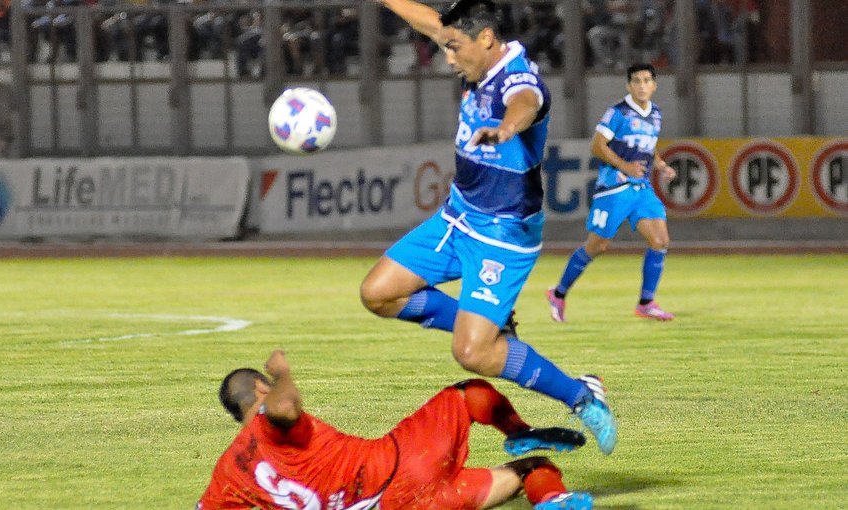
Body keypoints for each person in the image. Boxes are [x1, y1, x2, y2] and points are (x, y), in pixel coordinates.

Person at [359, 0, 617, 455]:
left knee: (473, 353)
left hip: (503, 234)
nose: (449, 58)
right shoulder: (470, 48)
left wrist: (505, 129)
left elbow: (527, 102)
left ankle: (581, 395)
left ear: (486, 39)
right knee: (378, 293)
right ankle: (490, 320)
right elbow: (429, 23)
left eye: (455, 49)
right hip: (457, 216)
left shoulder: (517, 78)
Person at [197, 350, 595, 510]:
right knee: (468, 394)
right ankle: (522, 441)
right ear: (259, 391)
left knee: (513, 472)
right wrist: (281, 372)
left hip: (396, 506)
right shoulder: (269, 414)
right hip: (401, 467)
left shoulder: (229, 470)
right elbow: (283, 407)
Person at [546, 63, 677, 323]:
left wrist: (660, 165)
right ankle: (558, 293)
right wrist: (625, 166)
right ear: (629, 85)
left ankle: (646, 303)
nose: (642, 85)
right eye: (636, 81)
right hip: (614, 188)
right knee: (598, 245)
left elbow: (649, 146)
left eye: (647, 80)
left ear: (654, 85)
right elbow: (597, 145)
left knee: (660, 241)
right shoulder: (618, 112)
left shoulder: (656, 114)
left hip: (641, 189)